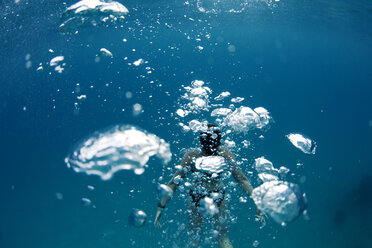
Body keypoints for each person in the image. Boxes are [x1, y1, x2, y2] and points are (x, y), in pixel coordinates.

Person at [154, 124, 264, 248]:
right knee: (223, 238)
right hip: (218, 195)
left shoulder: (192, 155)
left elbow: (174, 183)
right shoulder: (225, 153)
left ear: (201, 138)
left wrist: (161, 206)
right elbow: (241, 180)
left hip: (197, 196)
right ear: (219, 139)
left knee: (194, 239)